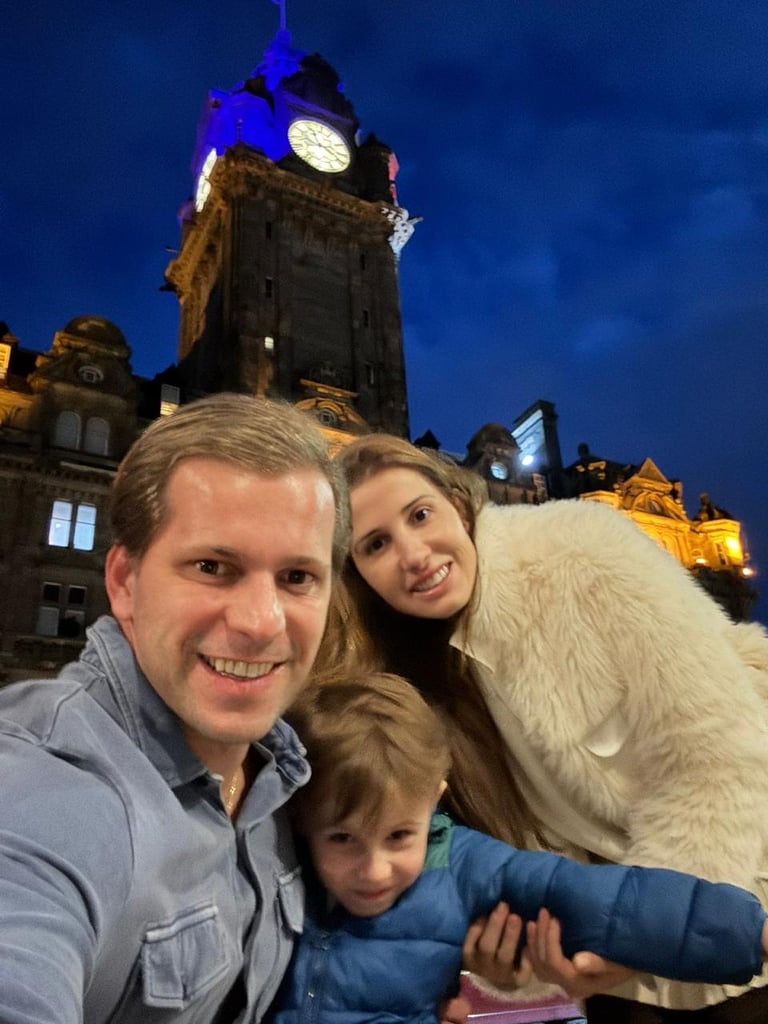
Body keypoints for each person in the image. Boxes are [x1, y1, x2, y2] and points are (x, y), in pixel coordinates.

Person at [321, 432, 768, 1023]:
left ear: (459, 505)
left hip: (746, 912)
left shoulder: (583, 553)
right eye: (376, 544)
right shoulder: (406, 681)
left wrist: (644, 937)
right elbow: (487, 864)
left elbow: (719, 756)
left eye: (420, 515)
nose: (414, 554)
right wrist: (513, 958)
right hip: (614, 974)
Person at [0, 393, 349, 1023]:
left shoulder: (286, 771)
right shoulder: (42, 787)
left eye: (297, 577)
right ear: (123, 582)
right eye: (212, 566)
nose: (261, 622)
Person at [270, 672, 768, 1024]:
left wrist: (750, 932)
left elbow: (598, 897)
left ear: (434, 799)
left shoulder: (458, 863)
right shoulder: (275, 857)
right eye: (342, 839)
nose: (375, 870)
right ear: (301, 817)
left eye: (399, 836)